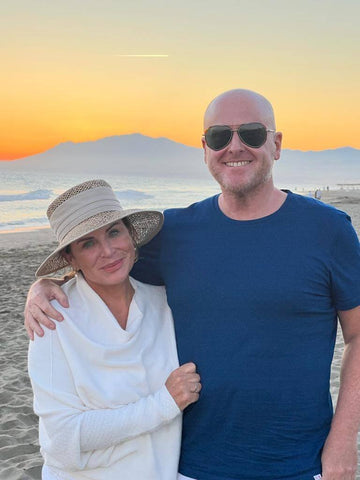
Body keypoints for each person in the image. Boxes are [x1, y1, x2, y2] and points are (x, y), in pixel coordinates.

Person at [25, 90, 360, 480]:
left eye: (252, 133)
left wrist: (344, 441)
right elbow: (106, 264)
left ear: (277, 143)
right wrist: (45, 285)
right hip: (190, 468)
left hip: (302, 465)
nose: (235, 146)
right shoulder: (175, 233)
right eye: (220, 136)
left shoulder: (328, 230)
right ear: (204, 149)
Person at [27, 179, 201, 480]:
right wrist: (164, 403)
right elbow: (63, 440)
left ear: (131, 235)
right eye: (88, 243)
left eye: (114, 232)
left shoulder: (164, 303)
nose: (108, 251)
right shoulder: (53, 320)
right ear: (71, 257)